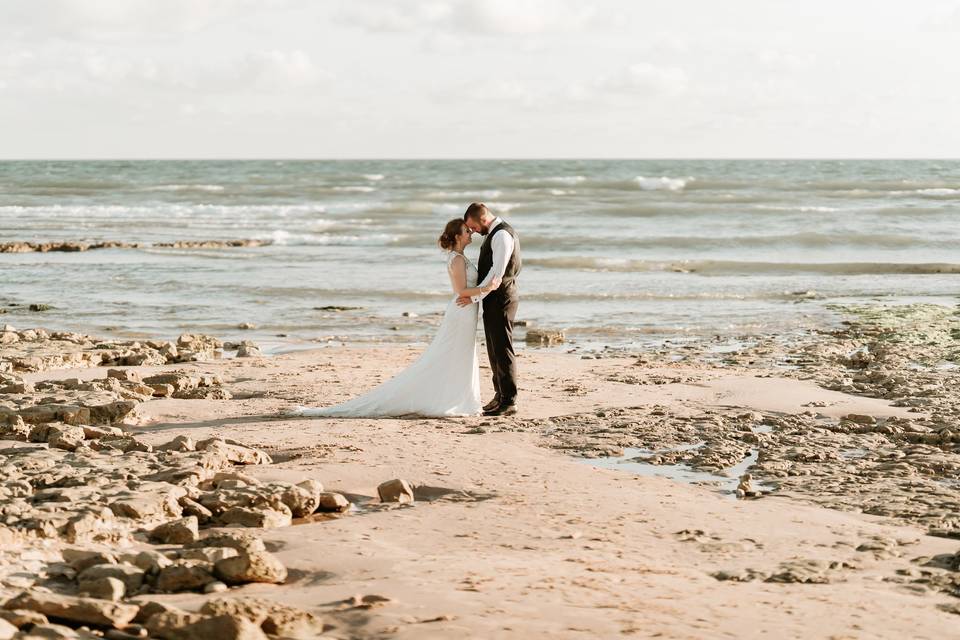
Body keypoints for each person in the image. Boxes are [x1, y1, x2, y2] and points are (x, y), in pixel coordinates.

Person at [295, 218, 499, 417]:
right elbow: (460, 290)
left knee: (461, 356)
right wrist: (487, 288)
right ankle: (451, 400)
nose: (471, 233)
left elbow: (465, 291)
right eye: (467, 231)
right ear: (457, 236)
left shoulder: (461, 258)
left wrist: (478, 294)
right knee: (452, 355)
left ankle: (458, 398)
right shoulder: (456, 260)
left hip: (467, 312)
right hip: (461, 314)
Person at [458, 202, 521, 416]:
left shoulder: (502, 235)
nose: (473, 232)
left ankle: (509, 401)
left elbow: (497, 274)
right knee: (493, 349)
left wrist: (475, 297)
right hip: (493, 298)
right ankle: (499, 395)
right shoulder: (492, 233)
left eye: (473, 227)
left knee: (503, 349)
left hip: (502, 297)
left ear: (482, 219)